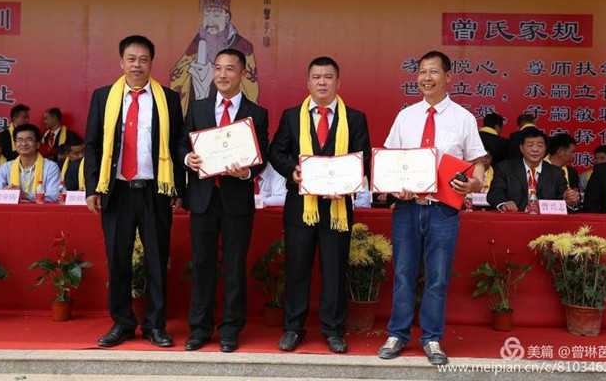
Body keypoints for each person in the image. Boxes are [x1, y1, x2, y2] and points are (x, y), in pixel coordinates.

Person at [379, 51, 486, 365]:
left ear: (448, 76)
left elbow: (478, 163)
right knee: (403, 273)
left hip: (443, 210)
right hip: (407, 208)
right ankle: (397, 334)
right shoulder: (406, 116)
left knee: (437, 277)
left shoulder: (463, 118)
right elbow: (389, 158)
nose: (426, 78)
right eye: (422, 72)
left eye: (433, 72)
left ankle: (432, 338)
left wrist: (473, 184)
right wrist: (393, 185)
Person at [84, 35, 184, 349]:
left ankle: (155, 325)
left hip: (155, 190)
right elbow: (92, 145)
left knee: (157, 259)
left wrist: (177, 187)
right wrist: (92, 188)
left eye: (143, 59)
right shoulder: (103, 97)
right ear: (121, 62)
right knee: (118, 259)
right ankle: (122, 323)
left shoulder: (168, 99)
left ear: (151, 63)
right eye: (131, 59)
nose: (137, 65)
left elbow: (178, 143)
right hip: (117, 190)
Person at [269, 56, 371, 354]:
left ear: (338, 82)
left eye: (328, 77)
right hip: (301, 207)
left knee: (335, 269)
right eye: (317, 77)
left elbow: (363, 156)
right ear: (308, 82)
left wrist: (347, 182)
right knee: (297, 267)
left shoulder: (355, 118)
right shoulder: (291, 117)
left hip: (338, 208)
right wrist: (293, 171)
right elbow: (276, 151)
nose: (322, 82)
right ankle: (293, 328)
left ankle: (333, 330)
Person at [181, 48, 269, 353]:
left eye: (230, 69)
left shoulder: (257, 113)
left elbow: (262, 156)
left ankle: (231, 328)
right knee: (201, 264)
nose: (222, 74)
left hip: (236, 200)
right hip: (203, 198)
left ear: (242, 73)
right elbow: (181, 143)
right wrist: (188, 158)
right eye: (217, 68)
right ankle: (199, 328)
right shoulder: (198, 108)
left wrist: (248, 172)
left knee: (234, 265)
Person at [170, 0, 259, 116]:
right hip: (201, 111)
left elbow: (250, 87)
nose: (210, 21)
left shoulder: (243, 45)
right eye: (207, 15)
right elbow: (178, 74)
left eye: (216, 16)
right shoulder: (198, 41)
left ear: (227, 18)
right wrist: (193, 74)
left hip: (232, 113)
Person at [486, 127, 578, 212]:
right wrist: (503, 203)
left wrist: (569, 201)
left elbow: (564, 199)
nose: (535, 149)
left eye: (540, 146)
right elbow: (495, 193)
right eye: (530, 145)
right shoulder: (505, 168)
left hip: (545, 222)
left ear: (545, 148)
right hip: (514, 220)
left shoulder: (556, 173)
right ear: (521, 148)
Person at [0, 124, 61, 203]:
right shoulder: (7, 167)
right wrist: (4, 194)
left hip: (40, 210)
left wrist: (25, 195)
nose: (24, 144)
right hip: (11, 210)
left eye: (29, 139)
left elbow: (54, 196)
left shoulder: (50, 167)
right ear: (15, 145)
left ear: (38, 144)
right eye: (20, 140)